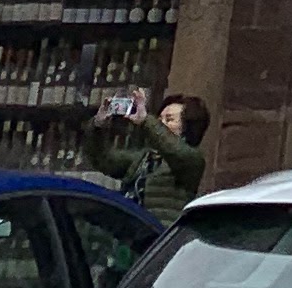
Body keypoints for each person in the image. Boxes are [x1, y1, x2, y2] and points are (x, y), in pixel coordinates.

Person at [85, 90, 211, 223]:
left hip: (162, 232)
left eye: (169, 119)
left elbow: (176, 151)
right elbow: (103, 159)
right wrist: (97, 126)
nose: (161, 124)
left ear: (187, 127)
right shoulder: (146, 158)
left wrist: (146, 120)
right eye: (159, 119)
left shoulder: (192, 160)